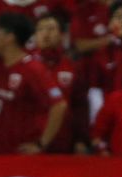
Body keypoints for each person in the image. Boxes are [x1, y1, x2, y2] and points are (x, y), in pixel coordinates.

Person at [0, 12, 66, 154]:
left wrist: (41, 144)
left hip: (22, 155)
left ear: (10, 37)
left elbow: (59, 105)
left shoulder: (33, 69)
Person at [33, 13, 88, 154]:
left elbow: (80, 106)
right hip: (30, 142)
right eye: (40, 29)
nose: (45, 33)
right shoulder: (26, 65)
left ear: (62, 35)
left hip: (64, 142)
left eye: (51, 29)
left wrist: (81, 140)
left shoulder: (73, 67)